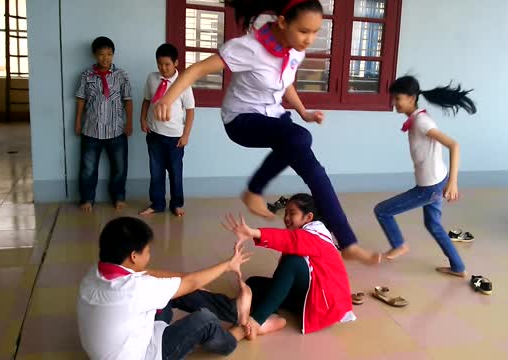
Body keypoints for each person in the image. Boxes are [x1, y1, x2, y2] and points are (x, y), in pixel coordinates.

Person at [153, 0, 380, 265]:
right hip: (240, 120)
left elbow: (286, 84)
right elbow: (197, 70)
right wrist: (167, 100)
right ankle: (254, 190)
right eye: (304, 31)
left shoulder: (295, 50)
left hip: (273, 116)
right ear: (283, 23)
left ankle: (348, 242)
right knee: (299, 138)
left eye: (316, 32)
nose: (310, 39)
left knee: (311, 161)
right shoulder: (249, 48)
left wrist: (304, 112)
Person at [77, 217, 252, 359]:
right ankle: (237, 335)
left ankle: (233, 310)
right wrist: (229, 265)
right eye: (148, 251)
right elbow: (189, 283)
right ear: (134, 256)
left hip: (125, 343)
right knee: (204, 320)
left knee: (178, 287)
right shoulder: (135, 289)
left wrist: (187, 280)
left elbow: (149, 274)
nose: (149, 254)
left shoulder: (95, 273)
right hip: (143, 355)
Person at [374, 76, 476, 277]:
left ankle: (399, 245)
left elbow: (454, 145)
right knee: (433, 224)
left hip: (430, 187)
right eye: (393, 98)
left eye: (397, 98)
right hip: (435, 181)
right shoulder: (417, 118)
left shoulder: (421, 121)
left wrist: (453, 183)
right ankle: (458, 267)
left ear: (412, 99)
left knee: (382, 211)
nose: (394, 103)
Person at [222, 193, 356, 338]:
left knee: (292, 262)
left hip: (321, 305)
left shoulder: (316, 235)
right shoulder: (303, 233)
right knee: (253, 283)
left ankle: (256, 321)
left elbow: (291, 240)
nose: (286, 218)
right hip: (305, 296)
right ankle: (271, 319)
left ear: (308, 217)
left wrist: (253, 232)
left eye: (292, 213)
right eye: (285, 212)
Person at [75, 36, 132, 212]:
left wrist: (129, 122)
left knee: (119, 168)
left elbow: (128, 100)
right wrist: (78, 122)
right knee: (88, 168)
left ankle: (119, 197)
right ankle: (87, 199)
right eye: (101, 54)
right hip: (91, 130)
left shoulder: (121, 75)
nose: (105, 58)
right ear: (94, 55)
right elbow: (81, 100)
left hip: (116, 130)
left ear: (113, 55)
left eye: (109, 54)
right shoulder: (86, 75)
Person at [139, 43, 195, 217]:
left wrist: (186, 135)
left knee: (175, 173)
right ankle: (157, 203)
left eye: (167, 64)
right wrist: (142, 119)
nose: (163, 68)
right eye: (159, 64)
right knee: (156, 172)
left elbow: (190, 111)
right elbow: (147, 101)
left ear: (176, 63)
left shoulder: (183, 83)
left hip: (175, 138)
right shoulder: (152, 78)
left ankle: (177, 204)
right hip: (154, 134)